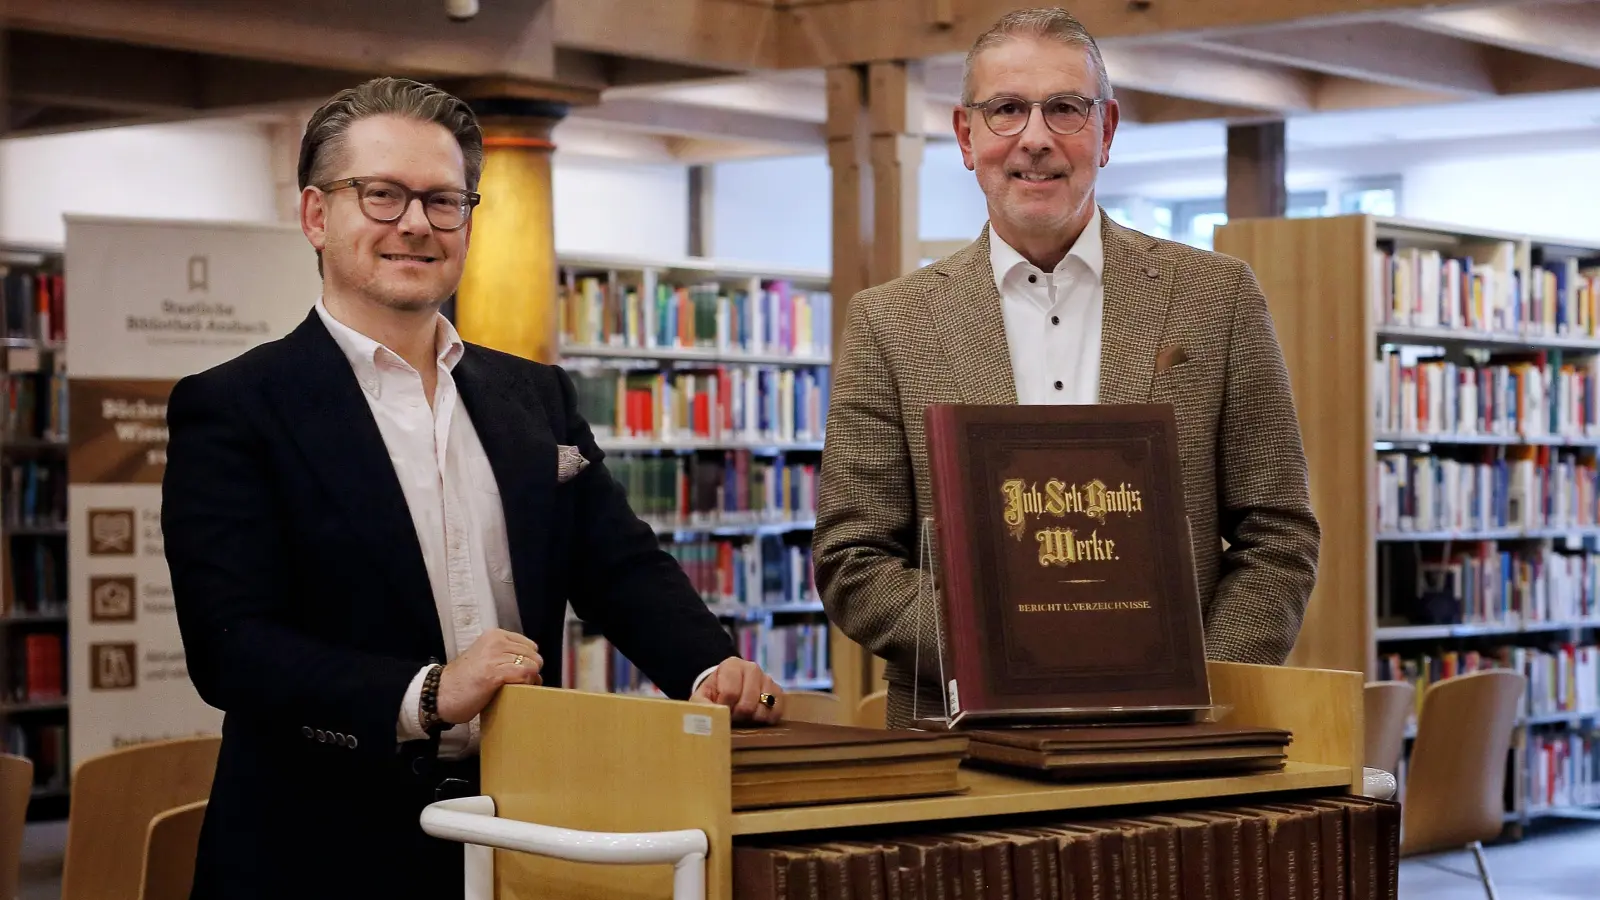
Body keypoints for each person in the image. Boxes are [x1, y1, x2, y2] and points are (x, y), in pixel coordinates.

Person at [161, 77, 786, 899]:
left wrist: (710, 670)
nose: (416, 223)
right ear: (316, 216)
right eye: (382, 195)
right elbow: (232, 646)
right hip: (321, 847)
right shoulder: (235, 407)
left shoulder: (535, 396)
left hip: (524, 827)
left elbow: (620, 566)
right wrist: (428, 692)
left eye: (443, 200)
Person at [812, 7, 1321, 729]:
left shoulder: (1217, 297)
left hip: (1172, 743)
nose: (1035, 138)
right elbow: (851, 556)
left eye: (1065, 108)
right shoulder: (890, 322)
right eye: (1006, 109)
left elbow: (1278, 534)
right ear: (966, 136)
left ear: (1105, 131)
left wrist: (1192, 679)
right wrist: (999, 647)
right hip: (958, 746)